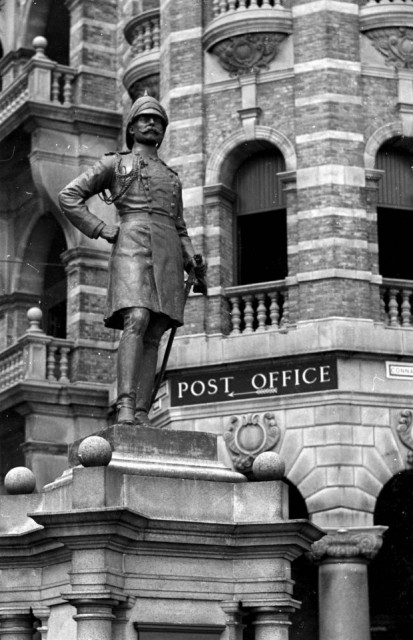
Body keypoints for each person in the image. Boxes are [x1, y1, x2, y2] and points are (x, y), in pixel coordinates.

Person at [58, 96, 206, 426]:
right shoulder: (115, 164)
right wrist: (101, 229)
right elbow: (69, 196)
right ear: (132, 127)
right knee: (136, 318)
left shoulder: (171, 176)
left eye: (158, 120)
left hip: (167, 247)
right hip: (132, 241)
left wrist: (191, 260)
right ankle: (124, 405)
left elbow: (179, 224)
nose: (152, 124)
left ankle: (141, 411)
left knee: (155, 328)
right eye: (145, 119)